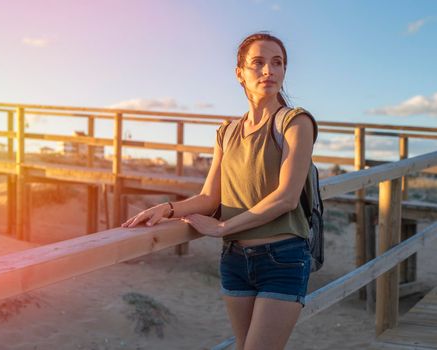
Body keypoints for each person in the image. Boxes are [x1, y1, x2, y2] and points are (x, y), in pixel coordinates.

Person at [121, 31, 318, 350]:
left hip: (282, 257)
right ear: (239, 72)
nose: (269, 70)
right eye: (258, 63)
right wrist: (168, 209)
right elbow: (210, 197)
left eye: (277, 63)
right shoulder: (227, 133)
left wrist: (224, 226)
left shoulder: (295, 122)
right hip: (235, 259)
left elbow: (286, 197)